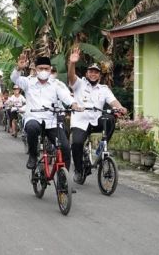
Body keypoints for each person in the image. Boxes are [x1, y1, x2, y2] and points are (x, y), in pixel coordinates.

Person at [67, 47, 127, 184]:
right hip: (80, 122)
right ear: (87, 73)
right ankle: (78, 169)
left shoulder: (104, 89)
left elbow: (113, 101)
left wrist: (120, 108)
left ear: (99, 75)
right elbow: (71, 76)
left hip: (96, 120)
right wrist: (72, 63)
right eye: (91, 72)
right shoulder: (79, 84)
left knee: (111, 118)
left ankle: (102, 147)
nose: (93, 74)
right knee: (76, 143)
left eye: (96, 72)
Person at [11, 54, 82, 170]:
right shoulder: (28, 82)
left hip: (52, 122)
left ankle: (63, 177)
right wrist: (19, 68)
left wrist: (73, 104)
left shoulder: (56, 84)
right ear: (36, 69)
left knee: (65, 147)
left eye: (46, 69)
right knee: (32, 127)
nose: (43, 71)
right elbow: (14, 79)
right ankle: (33, 156)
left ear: (50, 70)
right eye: (41, 68)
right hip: (34, 118)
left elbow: (66, 96)